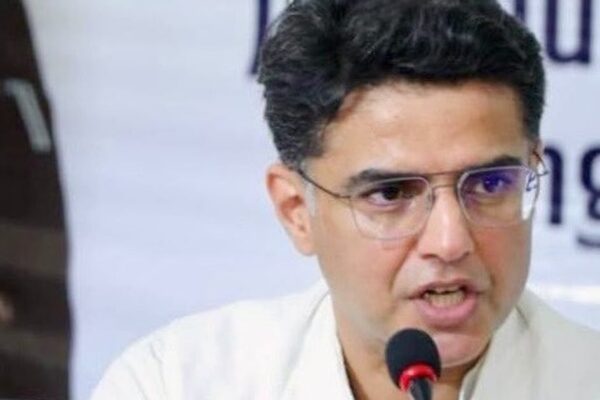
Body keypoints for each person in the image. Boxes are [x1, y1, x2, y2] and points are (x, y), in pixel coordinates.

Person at [91, 0, 600, 399]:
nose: (450, 241)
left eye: (489, 185)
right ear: (296, 212)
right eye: (390, 193)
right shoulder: (174, 384)